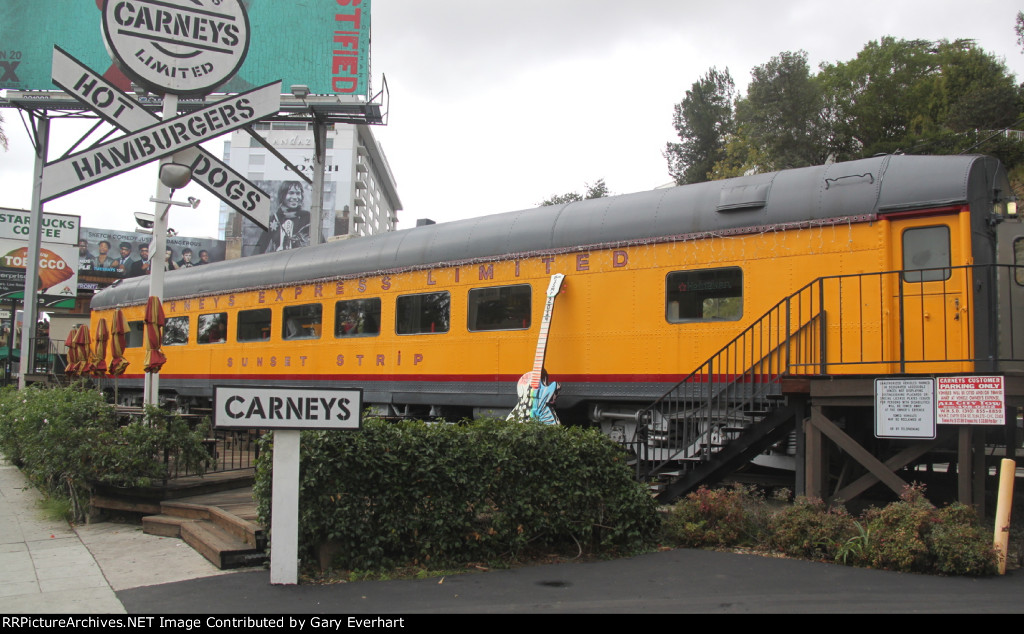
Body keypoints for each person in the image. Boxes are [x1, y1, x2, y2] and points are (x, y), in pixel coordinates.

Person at [256, 181, 313, 253]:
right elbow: (259, 248)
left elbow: (319, 243)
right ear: (282, 195)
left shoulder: (307, 217)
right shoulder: (274, 219)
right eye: (291, 193)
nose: (295, 197)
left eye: (298, 193)